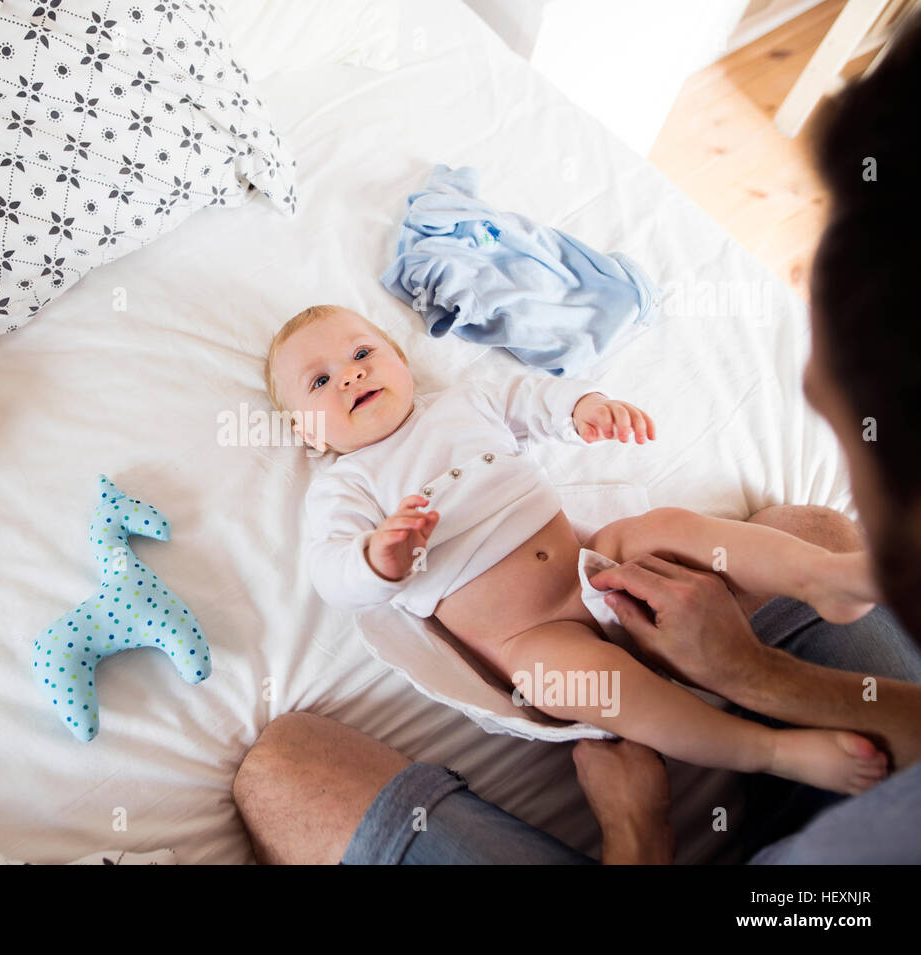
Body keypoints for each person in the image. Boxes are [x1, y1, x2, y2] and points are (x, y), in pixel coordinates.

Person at [231, 12, 921, 864]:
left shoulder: (456, 403)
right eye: (321, 384)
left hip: (597, 562)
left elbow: (527, 396)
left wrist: (583, 407)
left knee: (661, 528)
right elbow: (334, 573)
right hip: (524, 637)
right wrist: (379, 554)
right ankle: (769, 748)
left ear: (404, 361)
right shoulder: (345, 486)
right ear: (304, 430)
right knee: (597, 691)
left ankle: (827, 575)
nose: (351, 376)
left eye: (364, 352)